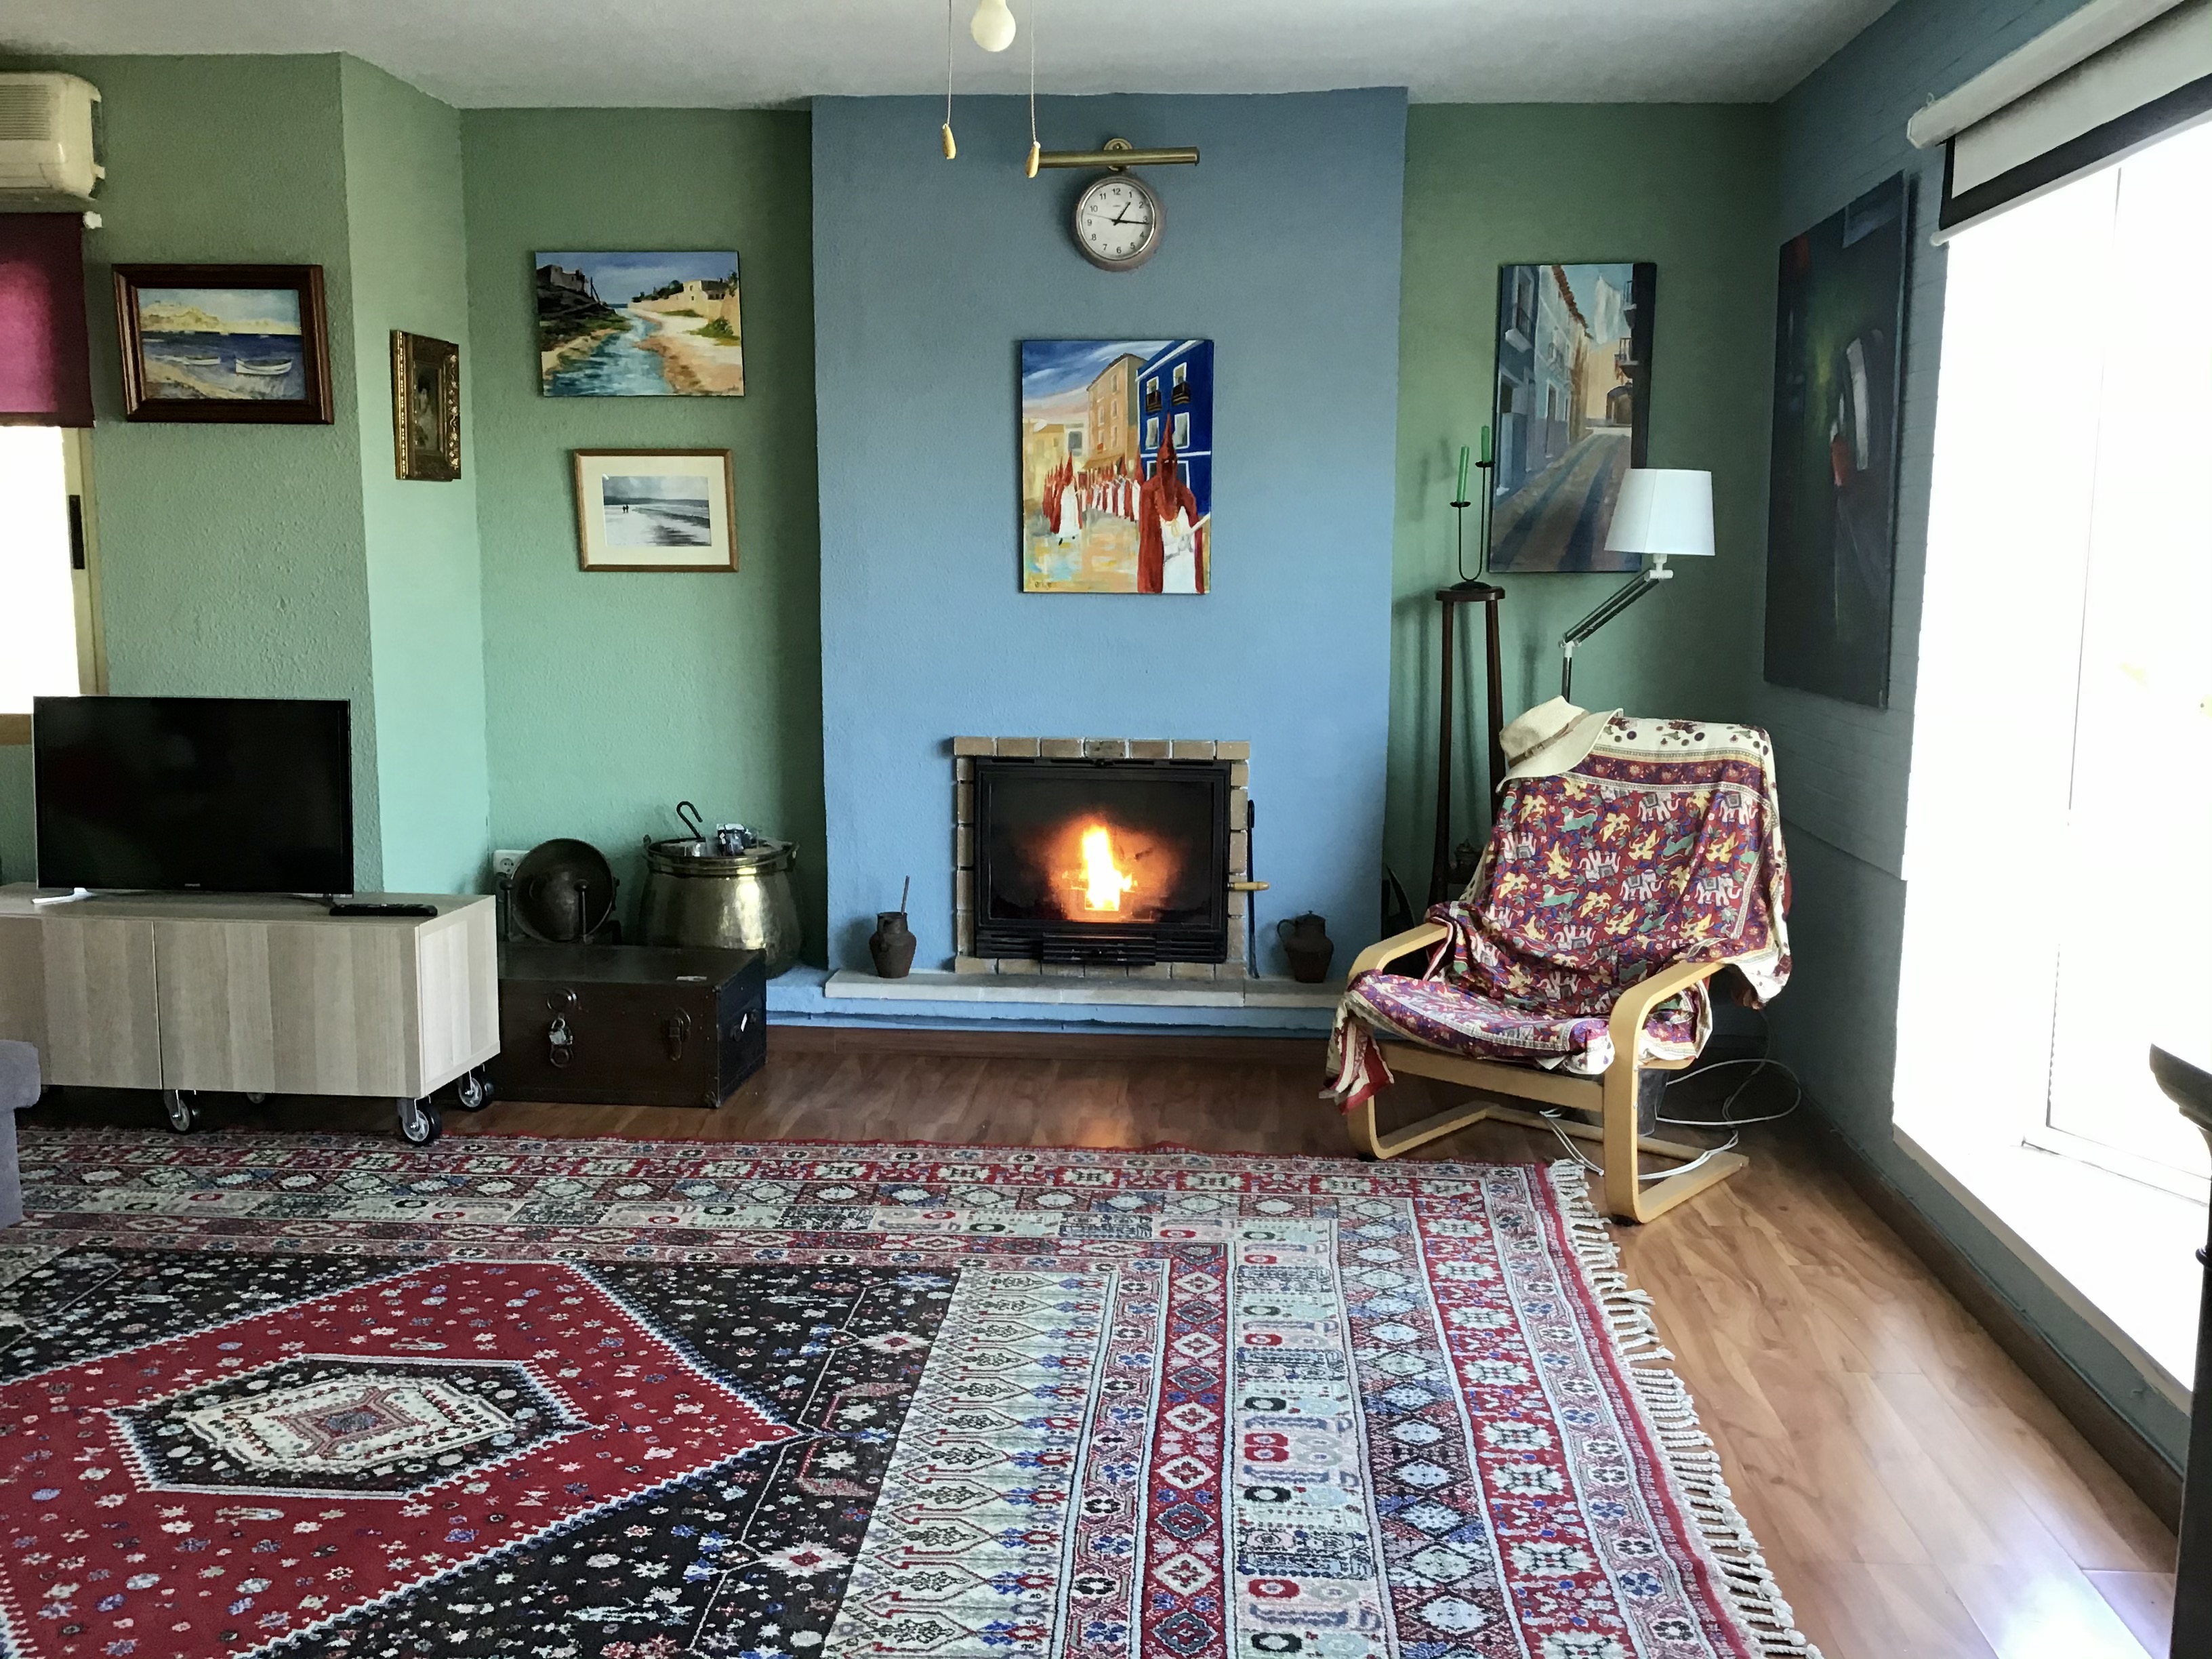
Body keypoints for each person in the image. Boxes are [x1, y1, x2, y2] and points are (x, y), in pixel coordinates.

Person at [1136, 430, 1202, 594]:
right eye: (1165, 463)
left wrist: (1190, 540)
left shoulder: (1185, 494)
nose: (1169, 467)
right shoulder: (1149, 492)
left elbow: (1195, 529)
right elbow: (1148, 536)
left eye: (1172, 463)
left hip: (1184, 566)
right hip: (1164, 566)